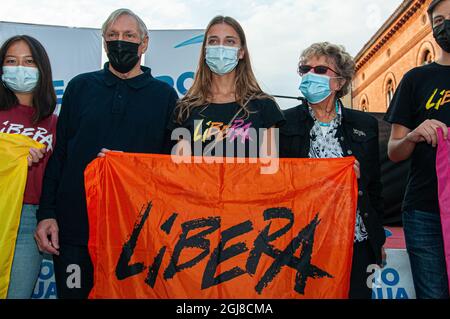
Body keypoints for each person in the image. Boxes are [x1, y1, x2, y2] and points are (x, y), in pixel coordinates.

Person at [34, 8, 178, 299]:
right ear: (103, 41)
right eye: (112, 35)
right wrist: (47, 213)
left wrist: (129, 165)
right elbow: (60, 155)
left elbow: (169, 167)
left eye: (128, 35)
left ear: (144, 43)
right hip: (76, 231)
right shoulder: (79, 87)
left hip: (136, 234)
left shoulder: (164, 96)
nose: (119, 41)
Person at [279, 42, 386, 299]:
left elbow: (375, 188)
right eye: (305, 69)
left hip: (354, 240)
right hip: (301, 241)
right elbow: (274, 182)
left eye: (320, 69)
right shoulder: (282, 122)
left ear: (339, 82)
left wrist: (377, 239)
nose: (310, 74)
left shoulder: (365, 124)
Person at [384, 0, 450, 299]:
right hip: (425, 211)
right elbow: (394, 151)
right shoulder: (415, 79)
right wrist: (413, 135)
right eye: (439, 21)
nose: (446, 26)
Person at [169, 16, 285, 165]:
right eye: (213, 41)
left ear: (241, 52)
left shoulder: (264, 105)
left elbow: (269, 169)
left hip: (248, 188)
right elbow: (181, 170)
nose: (221, 48)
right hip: (199, 188)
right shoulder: (185, 108)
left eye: (229, 41)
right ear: (205, 50)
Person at [0, 35, 57, 298]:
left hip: (28, 222)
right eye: (11, 61)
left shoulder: (54, 123)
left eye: (28, 61)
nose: (19, 68)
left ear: (41, 69)